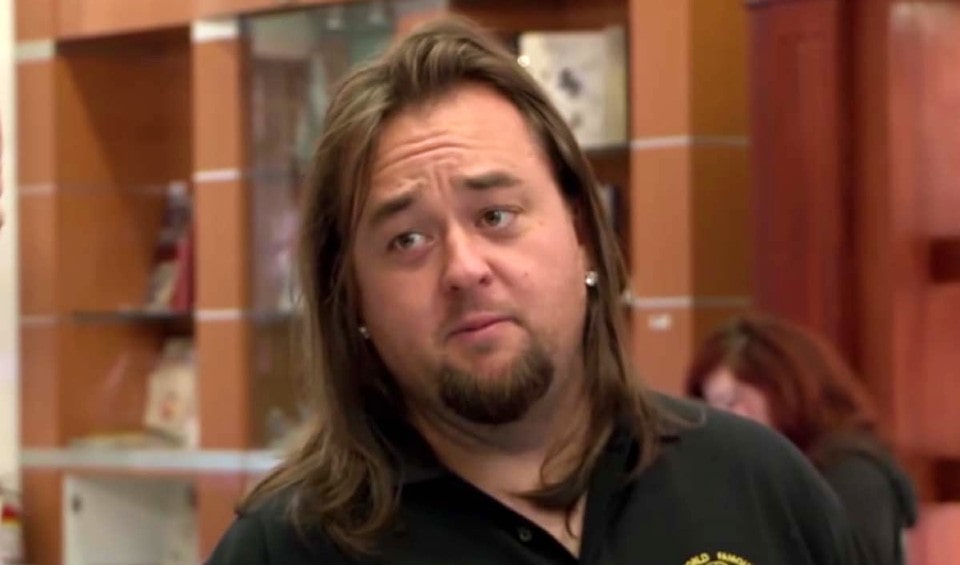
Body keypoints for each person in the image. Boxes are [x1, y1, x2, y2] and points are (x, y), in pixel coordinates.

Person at [208, 18, 863, 564]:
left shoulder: (760, 486)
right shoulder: (283, 550)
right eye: (407, 239)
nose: (465, 268)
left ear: (581, 232)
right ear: (352, 297)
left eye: (495, 215)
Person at [686, 313, 918, 565]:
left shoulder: (851, 473)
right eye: (712, 406)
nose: (721, 420)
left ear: (787, 390)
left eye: (731, 402)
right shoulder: (751, 473)